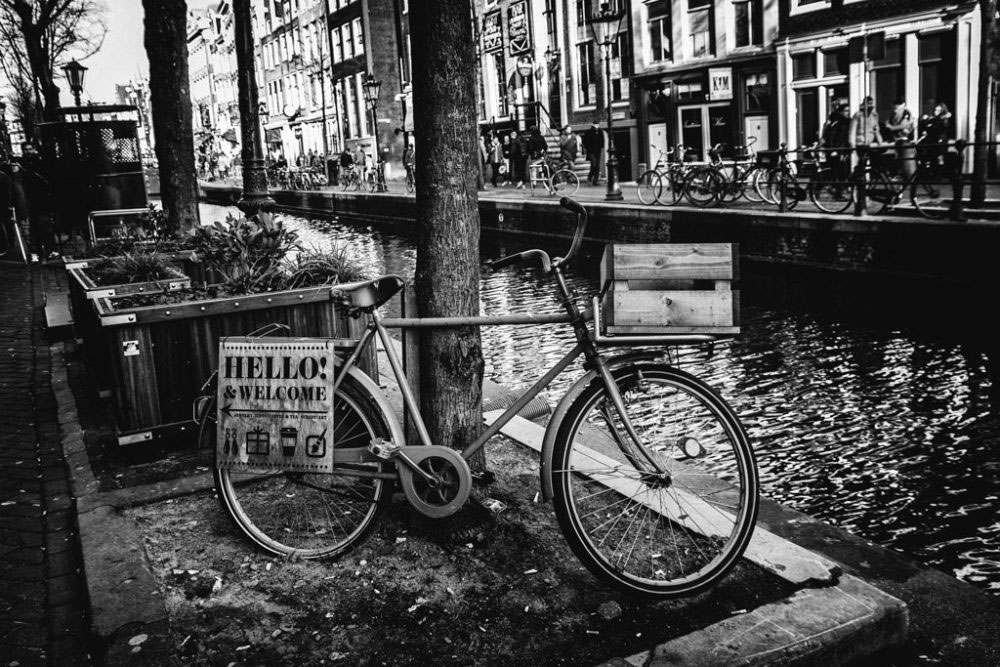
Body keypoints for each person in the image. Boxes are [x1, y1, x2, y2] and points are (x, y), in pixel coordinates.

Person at [884, 97, 916, 179]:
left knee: (903, 156)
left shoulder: (906, 112)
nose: (895, 109)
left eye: (897, 107)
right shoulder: (893, 113)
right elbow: (887, 123)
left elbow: (904, 125)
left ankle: (902, 174)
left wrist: (892, 128)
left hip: (903, 138)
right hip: (895, 139)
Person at [820, 102, 850, 189]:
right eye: (846, 111)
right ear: (841, 112)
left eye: (848, 111)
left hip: (840, 150)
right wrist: (836, 150)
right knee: (838, 172)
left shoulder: (844, 123)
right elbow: (834, 138)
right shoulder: (838, 124)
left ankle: (836, 189)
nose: (848, 113)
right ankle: (837, 191)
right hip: (837, 151)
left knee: (839, 171)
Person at [919, 102, 953, 168]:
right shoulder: (934, 119)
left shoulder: (943, 119)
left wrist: (930, 127)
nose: (935, 112)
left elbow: (938, 128)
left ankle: (939, 174)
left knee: (939, 157)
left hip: (940, 140)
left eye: (938, 110)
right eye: (935, 110)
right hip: (933, 140)